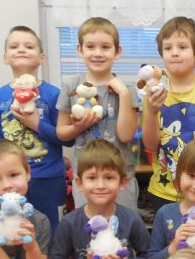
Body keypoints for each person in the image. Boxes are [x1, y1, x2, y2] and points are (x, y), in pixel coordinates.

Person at [0, 25, 74, 238]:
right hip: (10, 180)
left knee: (51, 231)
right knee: (15, 230)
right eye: (14, 46)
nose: (21, 49)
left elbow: (67, 139)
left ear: (42, 57)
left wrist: (36, 124)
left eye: (29, 46)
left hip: (48, 176)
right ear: (5, 57)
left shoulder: (54, 94)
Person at [140, 16, 195, 213]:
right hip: (163, 192)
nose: (174, 52)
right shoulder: (153, 94)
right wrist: (152, 111)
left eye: (182, 47)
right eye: (168, 48)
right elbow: (150, 145)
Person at [55, 17, 140, 212]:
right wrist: (78, 127)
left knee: (123, 226)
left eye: (105, 47)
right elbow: (61, 133)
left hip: (120, 177)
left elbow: (126, 135)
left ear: (117, 52)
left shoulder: (127, 89)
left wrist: (123, 94)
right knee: (88, 226)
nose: (98, 53)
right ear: (80, 50)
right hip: (86, 178)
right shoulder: (71, 85)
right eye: (90, 46)